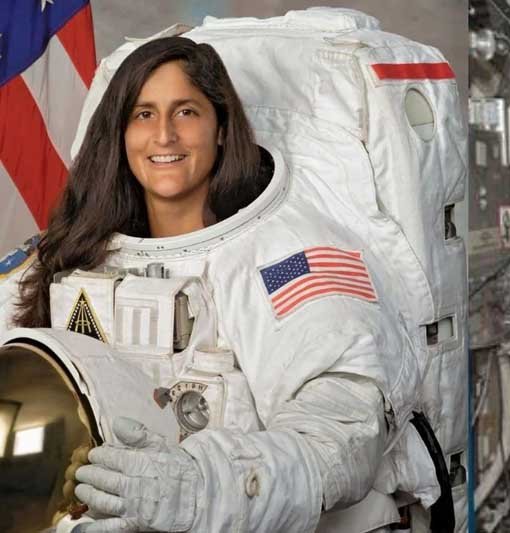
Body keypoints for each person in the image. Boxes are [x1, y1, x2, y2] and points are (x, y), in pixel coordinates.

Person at [0, 32, 447, 532]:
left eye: (186, 112)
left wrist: (203, 487)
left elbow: (342, 430)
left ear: (221, 129)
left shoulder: (287, 259)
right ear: (120, 134)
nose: (164, 135)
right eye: (143, 114)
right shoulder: (68, 254)